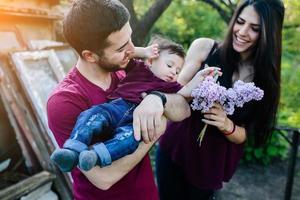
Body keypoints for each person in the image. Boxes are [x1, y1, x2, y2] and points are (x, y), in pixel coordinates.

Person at [47, 0, 191, 199]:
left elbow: (183, 109)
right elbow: (104, 178)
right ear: (90, 56)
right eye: (121, 48)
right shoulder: (64, 101)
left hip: (146, 193)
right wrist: (153, 131)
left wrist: (158, 99)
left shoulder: (128, 72)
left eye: (130, 39)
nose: (132, 50)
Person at [156, 0, 285, 199]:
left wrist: (226, 124)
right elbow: (174, 94)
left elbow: (245, 135)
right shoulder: (205, 48)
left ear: (269, 35)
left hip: (210, 162)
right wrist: (196, 87)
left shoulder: (264, 81)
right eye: (240, 22)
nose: (242, 32)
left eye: (254, 28)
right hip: (176, 148)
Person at [51, 36, 217, 172]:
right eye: (169, 65)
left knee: (128, 141)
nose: (174, 72)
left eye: (178, 71)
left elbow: (185, 92)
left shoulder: (170, 86)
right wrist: (144, 52)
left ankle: (94, 156)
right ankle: (73, 150)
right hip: (115, 108)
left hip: (134, 123)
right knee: (91, 116)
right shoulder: (139, 68)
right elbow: (127, 54)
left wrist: (199, 77)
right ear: (151, 61)